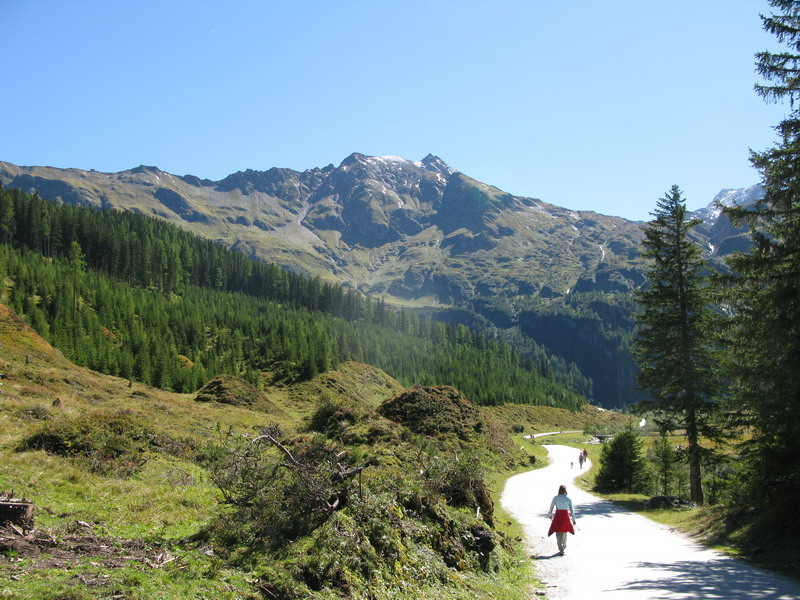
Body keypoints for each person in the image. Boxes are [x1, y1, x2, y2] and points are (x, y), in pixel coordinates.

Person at [548, 484, 576, 555]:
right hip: (565, 517)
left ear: (559, 490)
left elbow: (551, 508)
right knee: (564, 531)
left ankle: (561, 548)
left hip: (558, 516)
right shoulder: (568, 499)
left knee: (558, 532)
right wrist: (574, 520)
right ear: (565, 490)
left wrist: (550, 515)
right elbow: (572, 510)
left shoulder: (556, 498)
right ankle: (564, 545)